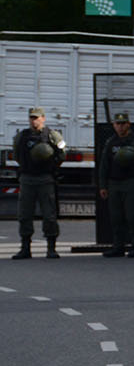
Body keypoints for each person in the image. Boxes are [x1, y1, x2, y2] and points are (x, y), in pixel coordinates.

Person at [12, 108, 66, 259]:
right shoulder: (22, 136)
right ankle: (25, 247)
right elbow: (17, 155)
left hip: (45, 179)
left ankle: (51, 247)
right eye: (31, 118)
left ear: (43, 118)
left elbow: (62, 153)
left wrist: (52, 167)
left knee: (49, 214)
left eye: (37, 118)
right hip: (27, 179)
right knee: (24, 214)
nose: (34, 121)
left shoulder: (52, 135)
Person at [97, 112, 134, 258]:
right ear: (114, 125)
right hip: (114, 183)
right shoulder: (111, 142)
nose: (120, 127)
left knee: (132, 215)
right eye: (117, 124)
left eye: (123, 124)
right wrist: (103, 185)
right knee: (116, 216)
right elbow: (104, 165)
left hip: (131, 182)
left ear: (128, 124)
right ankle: (118, 246)